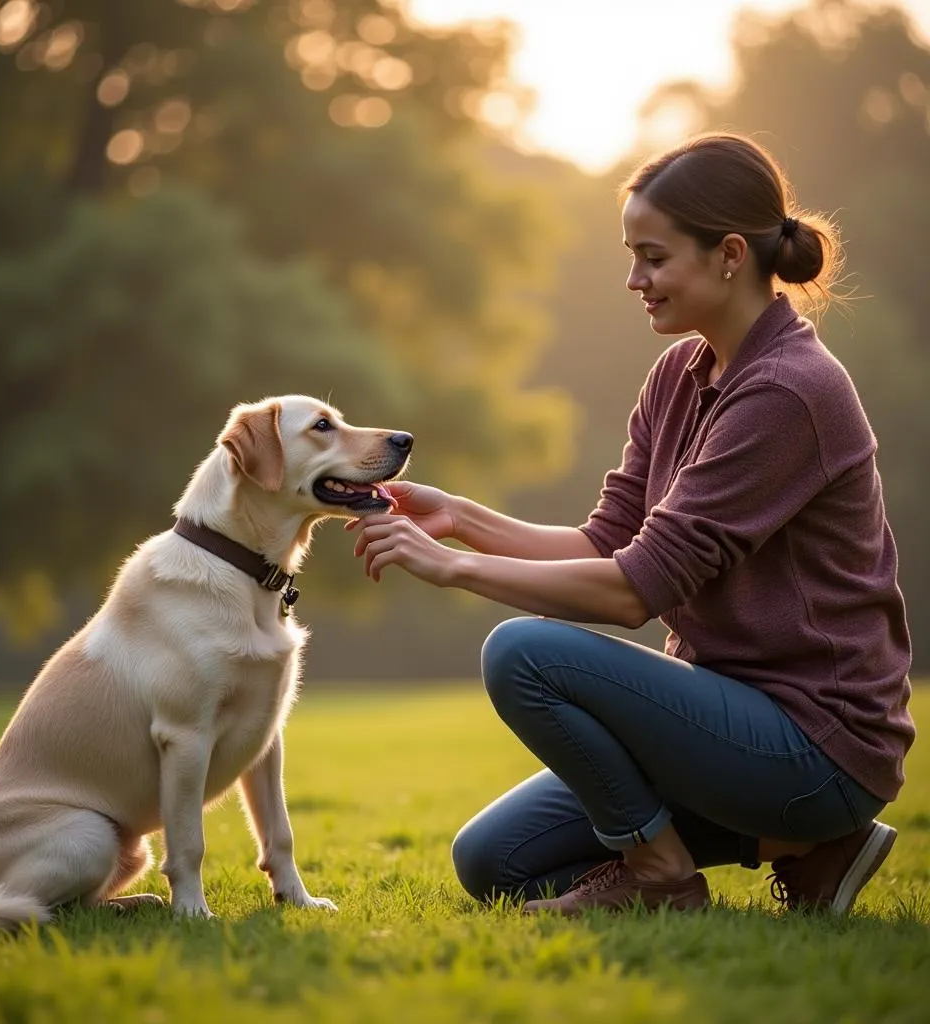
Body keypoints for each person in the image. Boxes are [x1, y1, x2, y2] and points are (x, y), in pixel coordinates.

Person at [349, 132, 914, 916]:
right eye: (631, 256)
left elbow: (628, 593)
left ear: (726, 255)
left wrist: (451, 569)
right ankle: (806, 849)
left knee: (523, 651)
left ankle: (661, 873)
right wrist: (461, 520)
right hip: (724, 722)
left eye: (652, 257)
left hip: (815, 743)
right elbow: (607, 542)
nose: (633, 279)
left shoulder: (787, 392)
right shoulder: (682, 373)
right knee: (494, 862)